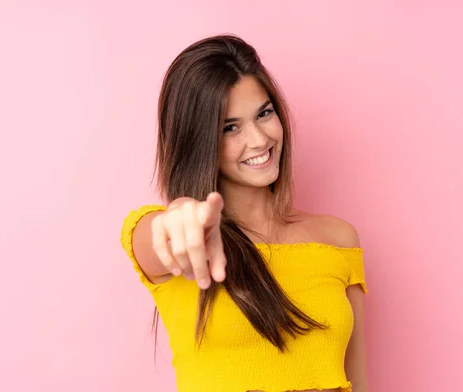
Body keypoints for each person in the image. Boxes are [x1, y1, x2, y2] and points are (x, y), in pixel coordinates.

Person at [120, 34, 369, 392]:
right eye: (230, 127)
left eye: (264, 114)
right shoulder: (184, 245)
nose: (258, 140)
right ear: (198, 141)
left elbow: (357, 383)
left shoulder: (338, 239)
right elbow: (159, 233)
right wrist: (181, 215)